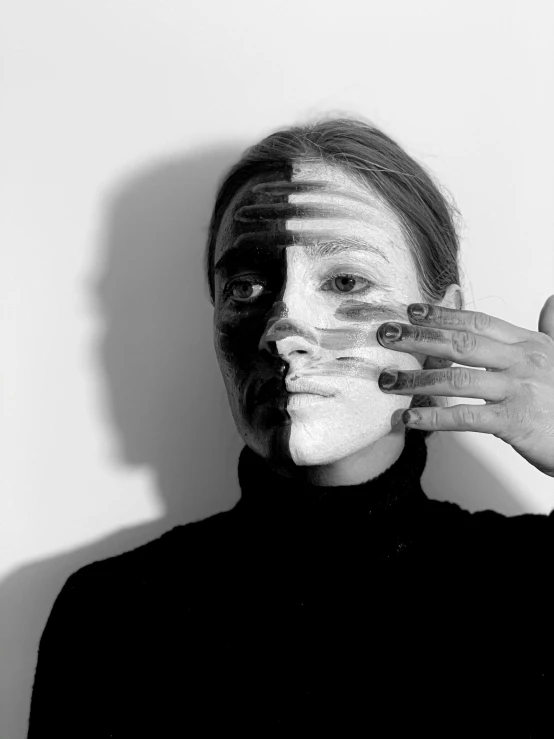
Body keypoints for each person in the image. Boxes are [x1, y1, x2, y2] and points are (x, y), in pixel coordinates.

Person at [27, 119, 554, 737]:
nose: (282, 331)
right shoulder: (112, 618)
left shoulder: (537, 588)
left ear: (444, 324)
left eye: (345, 281)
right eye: (246, 285)